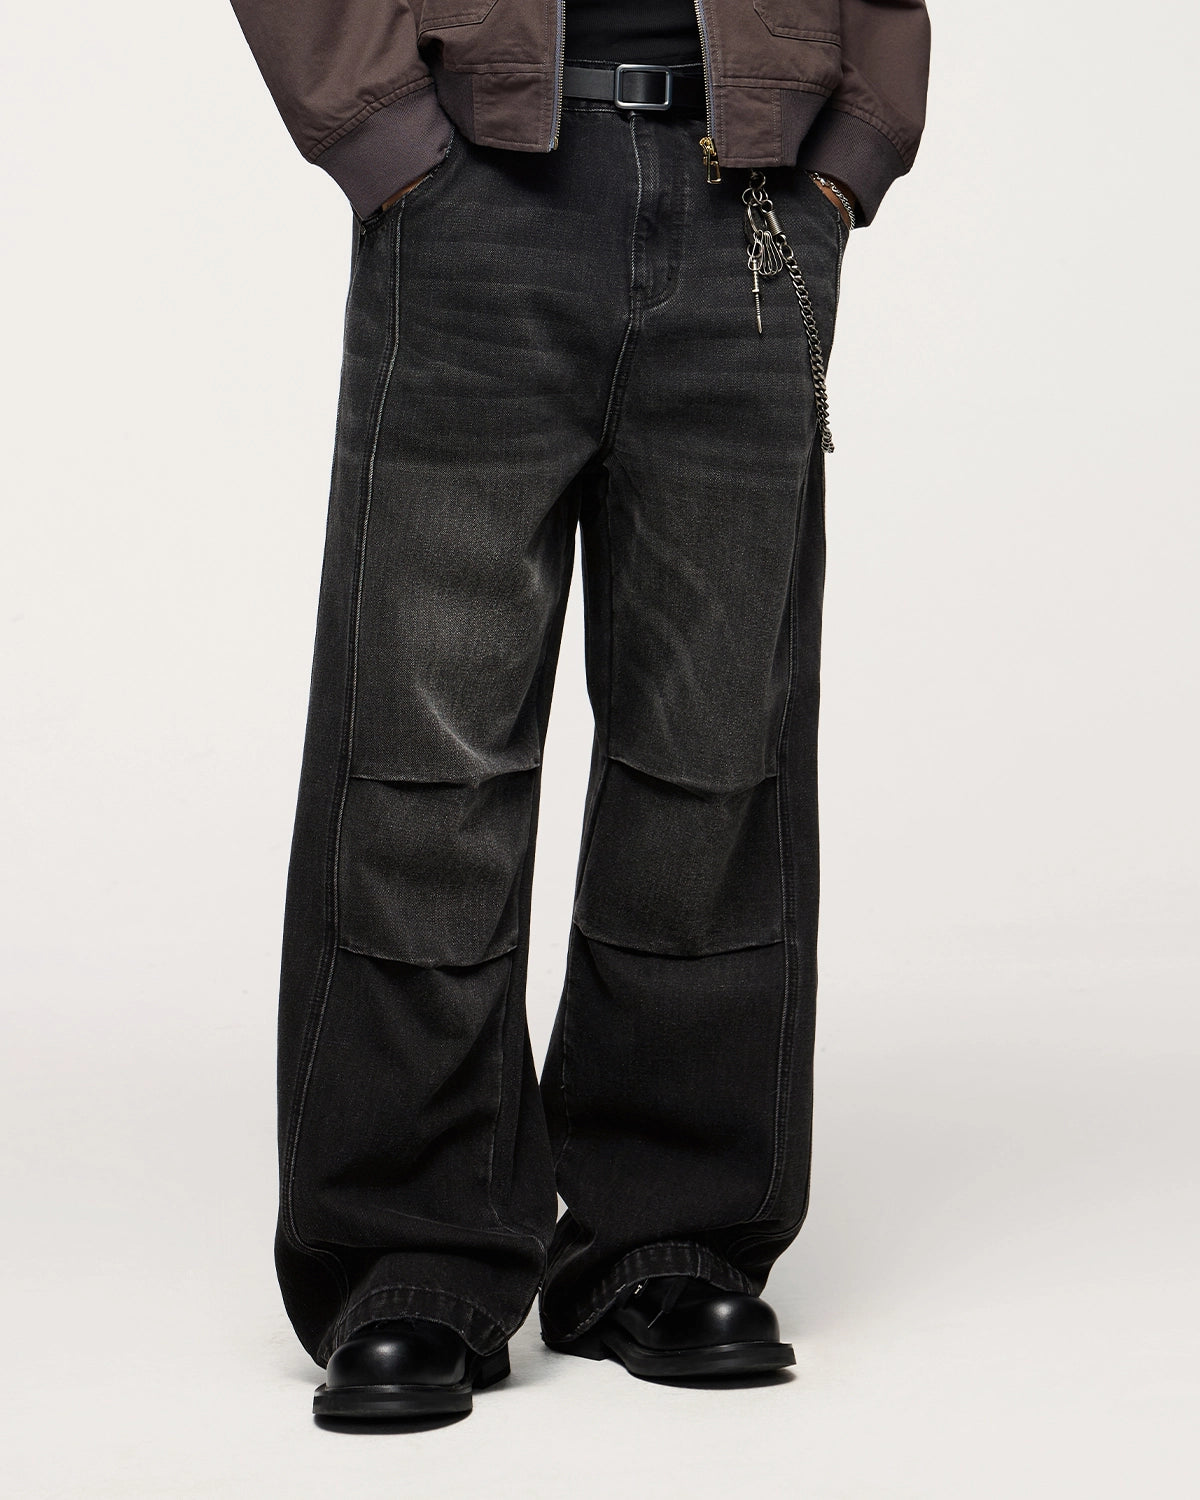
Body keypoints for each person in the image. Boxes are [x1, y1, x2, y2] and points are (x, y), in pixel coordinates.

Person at [230, 0, 931, 1422]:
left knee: (716, 748)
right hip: (476, 191)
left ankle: (668, 1234)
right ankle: (411, 1250)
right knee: (423, 748)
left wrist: (853, 146)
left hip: (754, 200)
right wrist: (383, 137)